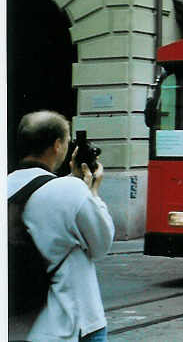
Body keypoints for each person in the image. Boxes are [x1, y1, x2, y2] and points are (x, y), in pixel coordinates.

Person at [8, 111, 115, 342]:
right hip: (75, 323)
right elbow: (101, 245)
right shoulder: (71, 190)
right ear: (57, 145)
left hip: (19, 326)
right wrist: (93, 193)